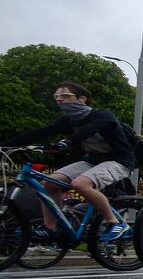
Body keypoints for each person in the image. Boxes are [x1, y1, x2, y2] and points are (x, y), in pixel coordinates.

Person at [2, 81, 136, 241]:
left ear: (82, 99)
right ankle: (50, 228)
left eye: (65, 96)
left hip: (119, 161)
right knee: (50, 183)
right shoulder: (68, 121)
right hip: (92, 161)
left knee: (80, 184)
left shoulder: (102, 116)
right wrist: (4, 146)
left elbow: (91, 129)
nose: (59, 99)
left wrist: (68, 141)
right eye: (56, 96)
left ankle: (114, 222)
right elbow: (38, 133)